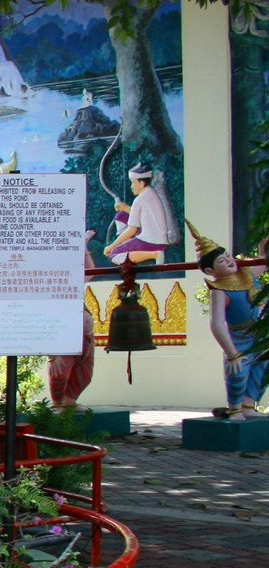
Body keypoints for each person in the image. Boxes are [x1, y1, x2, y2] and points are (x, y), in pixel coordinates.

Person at [188, 222, 268, 418]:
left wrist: (263, 246)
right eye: (222, 261)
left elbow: (263, 261)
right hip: (239, 338)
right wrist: (232, 352)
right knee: (237, 371)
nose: (229, 261)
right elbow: (217, 324)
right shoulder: (219, 290)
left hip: (259, 334)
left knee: (263, 367)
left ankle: (249, 405)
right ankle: (235, 409)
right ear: (210, 271)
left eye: (228, 256)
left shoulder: (247, 273)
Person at [48, 230, 97, 410]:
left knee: (84, 375)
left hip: (85, 338)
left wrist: (83, 246)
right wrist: (52, 354)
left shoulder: (71, 280)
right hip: (64, 339)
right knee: (60, 373)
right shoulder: (48, 287)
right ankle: (59, 404)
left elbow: (90, 271)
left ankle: (70, 402)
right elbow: (48, 321)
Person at [104, 161, 178, 264]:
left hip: (151, 241)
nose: (131, 186)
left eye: (132, 182)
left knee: (114, 254)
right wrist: (124, 208)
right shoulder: (150, 192)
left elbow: (131, 230)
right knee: (121, 215)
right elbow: (141, 215)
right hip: (159, 237)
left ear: (141, 183)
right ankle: (128, 246)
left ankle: (155, 254)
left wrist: (111, 246)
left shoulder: (139, 199)